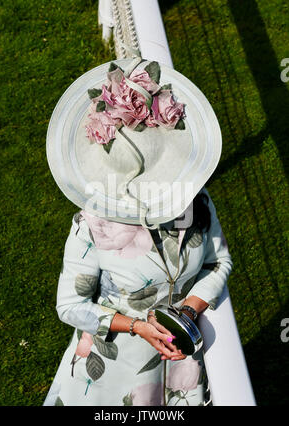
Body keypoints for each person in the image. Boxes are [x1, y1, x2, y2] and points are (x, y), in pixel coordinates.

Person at [43, 57, 233, 406]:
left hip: (178, 371)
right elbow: (70, 304)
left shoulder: (196, 199)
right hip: (111, 376)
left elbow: (218, 262)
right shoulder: (91, 224)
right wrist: (138, 327)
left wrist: (188, 311)